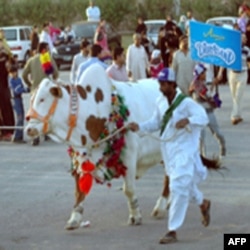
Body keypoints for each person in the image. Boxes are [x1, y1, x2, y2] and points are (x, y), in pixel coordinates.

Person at [128, 67, 211, 244]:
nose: (161, 86)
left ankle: (172, 229)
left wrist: (188, 120)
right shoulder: (160, 101)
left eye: (164, 84)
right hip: (169, 150)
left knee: (177, 186)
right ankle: (203, 203)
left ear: (172, 85)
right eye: (160, 83)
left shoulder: (185, 103)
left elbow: (203, 117)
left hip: (185, 149)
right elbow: (155, 123)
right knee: (182, 183)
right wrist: (139, 127)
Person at [22, 42, 59, 145]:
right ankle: (46, 132)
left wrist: (30, 85)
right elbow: (56, 74)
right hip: (46, 92)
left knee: (34, 115)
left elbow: (24, 74)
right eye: (47, 48)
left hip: (35, 91)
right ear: (44, 49)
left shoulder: (31, 60)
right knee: (47, 112)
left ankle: (35, 136)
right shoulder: (49, 59)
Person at [189, 63, 226, 157]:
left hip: (209, 112)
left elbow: (210, 92)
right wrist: (214, 100)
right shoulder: (196, 84)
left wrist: (214, 85)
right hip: (200, 114)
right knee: (201, 136)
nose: (205, 74)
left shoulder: (205, 83)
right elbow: (206, 96)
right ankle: (203, 157)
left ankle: (223, 147)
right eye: (203, 73)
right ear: (199, 74)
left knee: (218, 133)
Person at [218, 33, 250, 125]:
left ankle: (234, 116)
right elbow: (224, 61)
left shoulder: (247, 50)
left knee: (238, 95)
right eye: (243, 38)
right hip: (232, 74)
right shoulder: (231, 48)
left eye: (246, 38)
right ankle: (238, 114)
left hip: (243, 73)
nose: (245, 40)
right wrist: (220, 73)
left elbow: (249, 61)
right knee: (234, 96)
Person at [8, 65, 30, 143]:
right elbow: (16, 90)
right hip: (15, 99)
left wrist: (27, 89)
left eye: (15, 72)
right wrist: (23, 89)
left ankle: (20, 136)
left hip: (19, 99)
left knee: (22, 116)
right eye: (12, 73)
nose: (13, 74)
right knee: (19, 117)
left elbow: (22, 88)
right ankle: (17, 136)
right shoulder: (11, 81)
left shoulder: (19, 79)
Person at [0, 39, 15, 141]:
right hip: (3, 87)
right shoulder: (6, 57)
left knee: (6, 108)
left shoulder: (5, 58)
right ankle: (5, 131)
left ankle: (8, 131)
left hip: (3, 87)